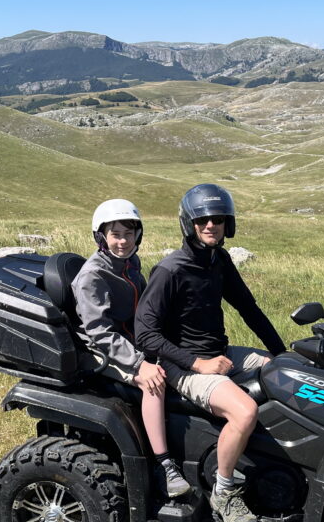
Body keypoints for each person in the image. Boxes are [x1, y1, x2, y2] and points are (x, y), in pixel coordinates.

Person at [135, 184, 287, 522]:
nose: (210, 225)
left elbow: (250, 309)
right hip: (183, 365)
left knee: (286, 371)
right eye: (202, 219)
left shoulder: (219, 260)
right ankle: (224, 492)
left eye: (217, 219)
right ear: (189, 223)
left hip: (221, 352)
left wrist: (282, 353)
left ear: (227, 224)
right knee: (245, 411)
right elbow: (145, 334)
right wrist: (198, 363)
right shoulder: (169, 271)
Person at [70, 199, 190, 498]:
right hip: (102, 350)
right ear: (101, 237)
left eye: (128, 233)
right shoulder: (93, 276)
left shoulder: (130, 264)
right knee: (154, 384)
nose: (122, 241)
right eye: (115, 234)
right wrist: (140, 365)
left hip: (132, 339)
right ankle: (164, 466)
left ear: (138, 235)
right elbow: (99, 332)